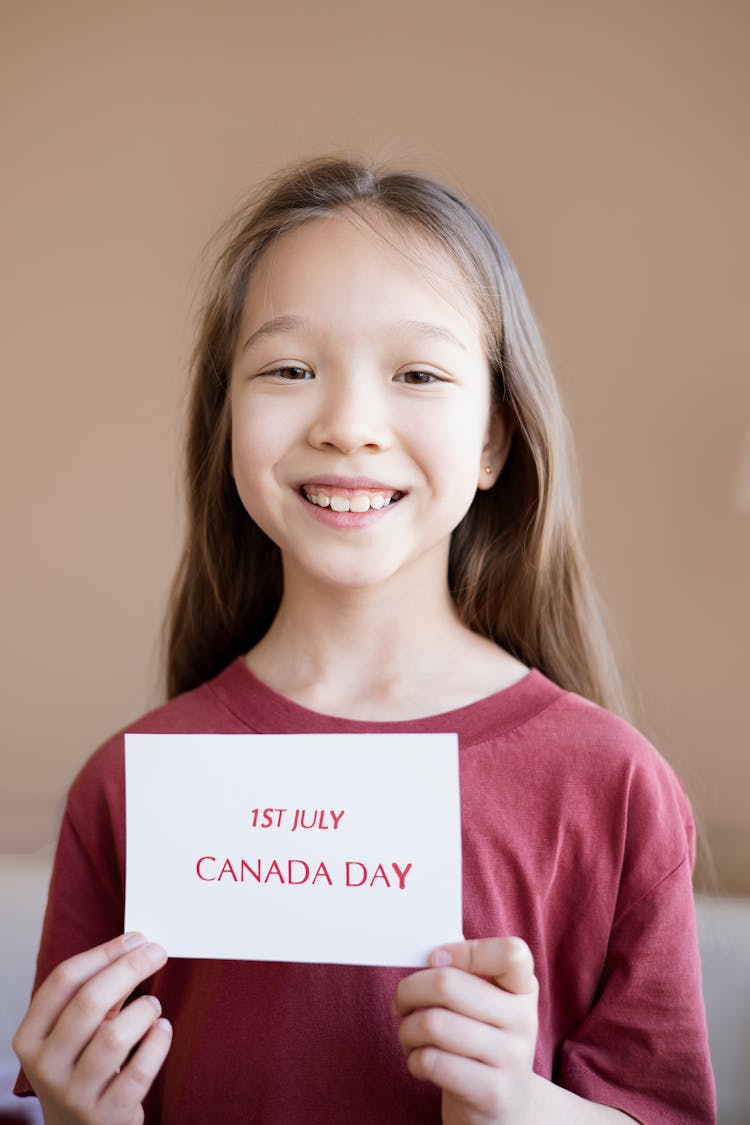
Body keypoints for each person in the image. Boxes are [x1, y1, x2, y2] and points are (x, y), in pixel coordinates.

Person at [13, 156, 715, 1124]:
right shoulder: (127, 787)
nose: (349, 426)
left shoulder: (613, 789)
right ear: (227, 420)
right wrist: (78, 1116)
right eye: (290, 369)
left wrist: (519, 1106)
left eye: (418, 373)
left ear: (493, 443)